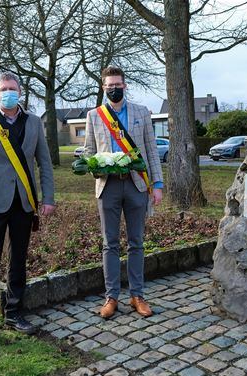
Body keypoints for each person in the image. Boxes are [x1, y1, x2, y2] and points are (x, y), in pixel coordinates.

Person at [0, 72, 56, 352]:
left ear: (20, 92)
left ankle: (14, 313)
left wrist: (48, 198)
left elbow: (44, 162)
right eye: (3, 89)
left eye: (12, 89)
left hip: (24, 203)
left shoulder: (34, 123)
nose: (8, 93)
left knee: (18, 259)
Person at [84, 66, 163, 319]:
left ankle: (137, 295)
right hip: (108, 185)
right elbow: (88, 152)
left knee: (136, 242)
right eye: (109, 86)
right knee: (110, 244)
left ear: (124, 86)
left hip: (136, 184)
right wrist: (97, 166)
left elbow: (151, 150)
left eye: (118, 85)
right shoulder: (95, 115)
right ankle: (111, 297)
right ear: (103, 88)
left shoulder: (141, 113)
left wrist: (158, 185)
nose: (114, 89)